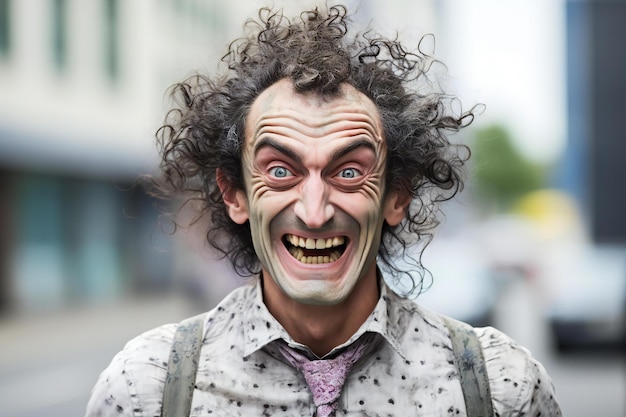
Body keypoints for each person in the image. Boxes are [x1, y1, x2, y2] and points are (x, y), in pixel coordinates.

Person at [86, 4, 561, 416]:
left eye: (349, 172)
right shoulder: (146, 390)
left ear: (397, 195)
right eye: (279, 171)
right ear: (235, 194)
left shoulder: (502, 389)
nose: (314, 213)